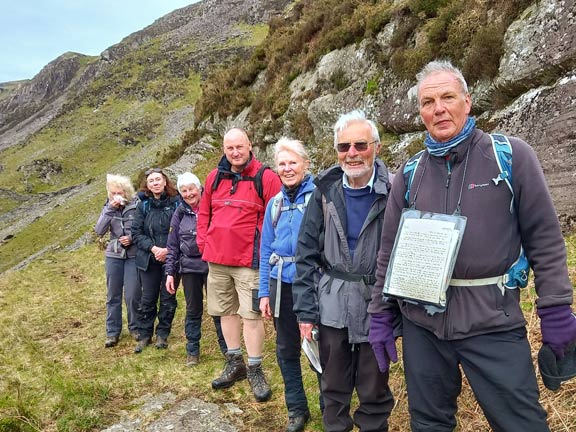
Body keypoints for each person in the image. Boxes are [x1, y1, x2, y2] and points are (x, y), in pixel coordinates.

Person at [368, 59, 576, 432]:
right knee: (429, 424)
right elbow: (389, 252)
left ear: (468, 101)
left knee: (522, 424)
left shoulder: (510, 155)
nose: (438, 108)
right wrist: (380, 314)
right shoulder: (409, 174)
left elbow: (545, 239)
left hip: (493, 322)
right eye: (428, 102)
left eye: (447, 97)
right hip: (423, 325)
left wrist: (556, 311)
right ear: (420, 113)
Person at [292, 110, 395, 432]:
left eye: (360, 145)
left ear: (376, 147)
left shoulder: (394, 192)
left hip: (375, 307)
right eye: (343, 146)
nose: (351, 153)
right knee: (333, 388)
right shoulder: (323, 193)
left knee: (374, 388)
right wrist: (305, 313)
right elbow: (305, 255)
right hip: (331, 306)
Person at [197, 128, 282, 402]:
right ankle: (235, 363)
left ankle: (255, 367)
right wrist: (204, 244)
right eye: (229, 148)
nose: (235, 152)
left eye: (239, 147)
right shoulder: (213, 177)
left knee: (251, 315)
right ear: (224, 149)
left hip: (250, 262)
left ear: (250, 146)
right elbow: (204, 212)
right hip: (217, 260)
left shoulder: (266, 178)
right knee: (225, 312)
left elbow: (276, 216)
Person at [258, 138, 318, 432]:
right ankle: (297, 409)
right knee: (286, 349)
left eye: (293, 162)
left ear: (306, 164)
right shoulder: (275, 204)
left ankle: (329, 405)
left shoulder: (319, 197)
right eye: (282, 164)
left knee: (320, 347)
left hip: (313, 284)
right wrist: (264, 292)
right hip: (280, 284)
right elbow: (265, 249)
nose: (287, 168)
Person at [165, 172, 227, 366]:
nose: (188, 193)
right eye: (184, 191)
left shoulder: (213, 207)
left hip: (212, 265)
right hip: (189, 268)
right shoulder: (179, 212)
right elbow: (172, 244)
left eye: (191, 189)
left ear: (200, 188)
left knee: (218, 309)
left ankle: (228, 350)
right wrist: (170, 273)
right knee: (193, 309)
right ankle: (192, 351)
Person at [132, 168, 180, 353]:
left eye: (158, 180)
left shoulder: (177, 203)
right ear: (147, 185)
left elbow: (180, 230)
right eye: (151, 181)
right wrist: (153, 248)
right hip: (149, 259)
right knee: (148, 298)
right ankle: (145, 335)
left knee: (168, 297)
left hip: (171, 258)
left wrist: (168, 250)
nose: (155, 183)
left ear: (165, 182)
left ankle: (163, 334)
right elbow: (136, 232)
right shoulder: (142, 206)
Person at [94, 174, 141, 348]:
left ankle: (135, 327)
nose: (116, 196)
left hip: (133, 255)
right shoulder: (107, 208)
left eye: (119, 192)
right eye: (112, 193)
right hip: (113, 255)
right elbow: (99, 230)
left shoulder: (137, 206)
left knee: (132, 293)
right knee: (113, 294)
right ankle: (112, 332)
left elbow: (142, 228)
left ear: (126, 192)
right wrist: (110, 210)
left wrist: (131, 238)